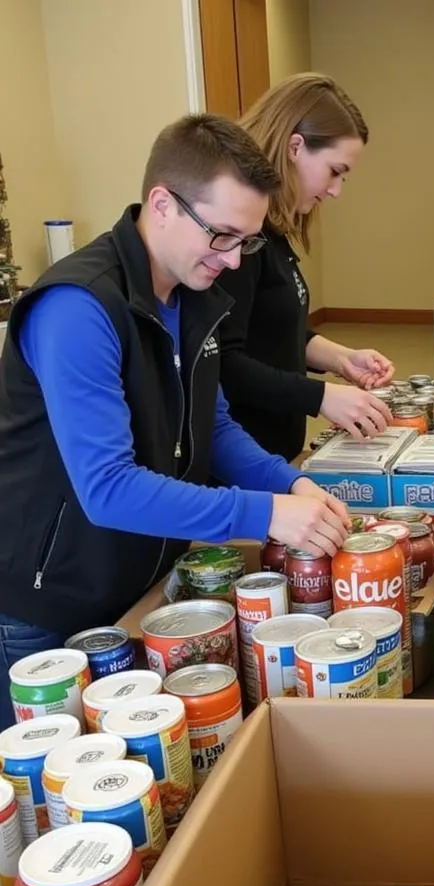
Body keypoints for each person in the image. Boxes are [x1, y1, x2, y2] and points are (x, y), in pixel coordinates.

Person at [0, 114, 351, 731]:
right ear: (162, 204)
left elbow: (211, 430)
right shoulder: (78, 308)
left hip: (136, 586)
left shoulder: (194, 297)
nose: (236, 261)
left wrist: (289, 484)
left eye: (246, 241)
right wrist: (263, 512)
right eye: (222, 235)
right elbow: (108, 488)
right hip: (46, 608)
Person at [218, 72, 395, 461]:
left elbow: (272, 330)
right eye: (335, 172)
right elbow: (223, 362)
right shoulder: (237, 238)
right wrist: (321, 397)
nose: (335, 190)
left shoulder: (273, 227)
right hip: (241, 462)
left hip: (273, 457)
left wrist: (341, 359)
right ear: (295, 146)